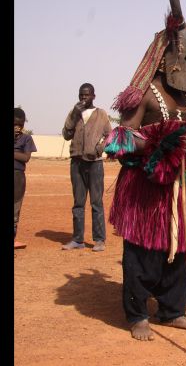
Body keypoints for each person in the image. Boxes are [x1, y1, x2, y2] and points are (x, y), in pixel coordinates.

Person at [103, 0, 186, 340]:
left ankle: (173, 308)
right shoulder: (144, 94)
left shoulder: (182, 100)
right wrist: (157, 144)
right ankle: (136, 313)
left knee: (177, 246)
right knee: (143, 250)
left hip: (177, 186)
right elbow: (120, 139)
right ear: (165, 57)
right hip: (146, 186)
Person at [61, 83, 112, 251]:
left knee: (96, 202)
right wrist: (74, 114)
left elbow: (109, 135)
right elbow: (66, 134)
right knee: (78, 203)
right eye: (81, 95)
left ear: (93, 96)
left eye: (87, 95)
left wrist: (100, 148)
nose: (83, 98)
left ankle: (99, 240)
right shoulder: (74, 113)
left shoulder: (101, 114)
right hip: (76, 162)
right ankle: (78, 240)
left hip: (95, 164)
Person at [14, 107, 37, 250]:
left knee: (15, 211)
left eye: (21, 124)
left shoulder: (26, 139)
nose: (17, 127)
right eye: (15, 124)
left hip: (18, 178)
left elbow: (26, 157)